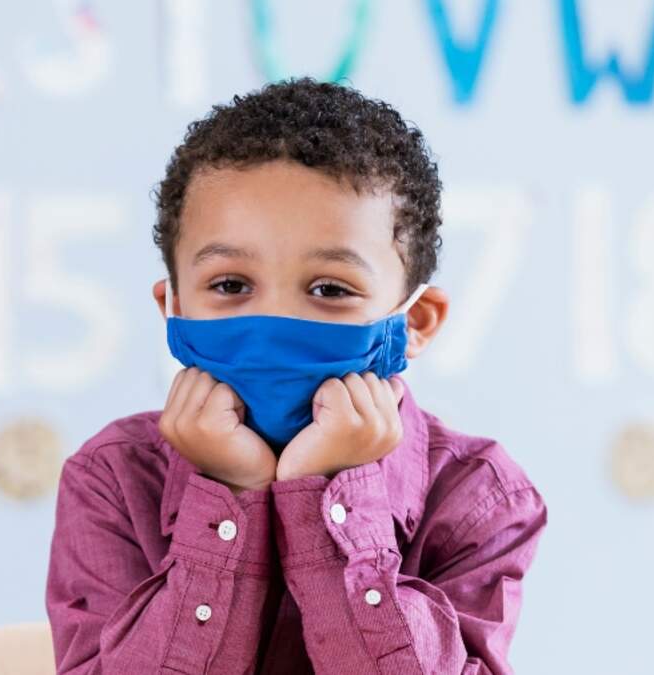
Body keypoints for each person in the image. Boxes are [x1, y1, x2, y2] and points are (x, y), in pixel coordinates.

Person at [45, 76, 548, 674]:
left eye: (330, 289)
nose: (274, 323)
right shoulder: (114, 478)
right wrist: (232, 490)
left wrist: (328, 499)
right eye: (230, 284)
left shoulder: (479, 497)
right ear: (172, 308)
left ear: (414, 321)